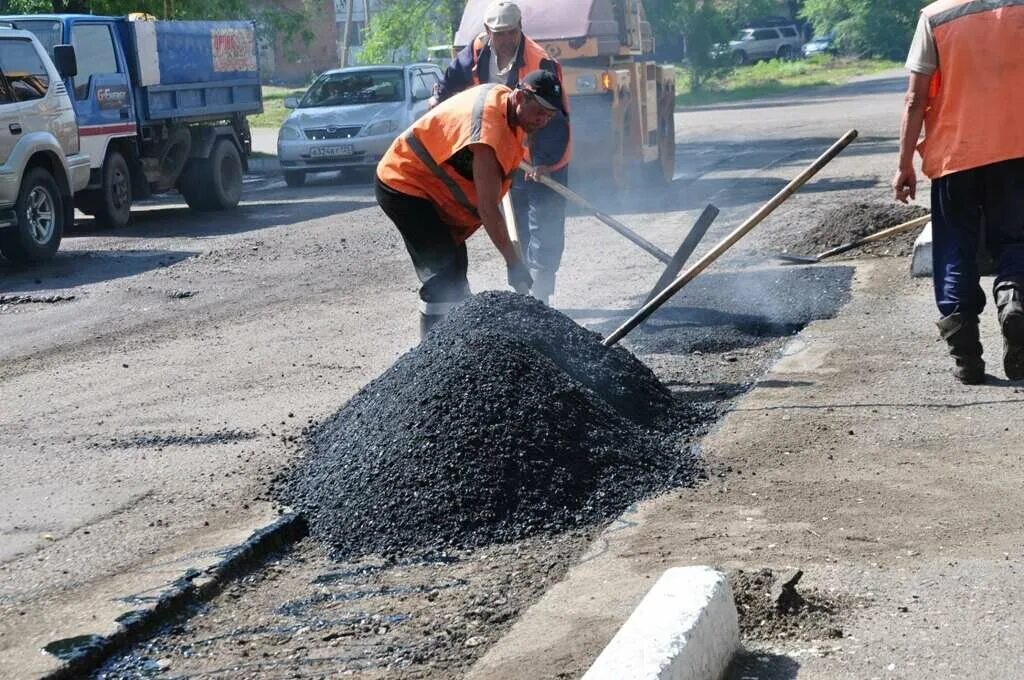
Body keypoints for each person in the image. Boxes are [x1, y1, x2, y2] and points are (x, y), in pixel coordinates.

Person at [376, 70, 565, 339]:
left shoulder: (505, 102)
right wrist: (513, 263)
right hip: (404, 183)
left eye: (549, 116)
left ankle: (456, 345)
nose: (543, 120)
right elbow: (488, 209)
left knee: (456, 272)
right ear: (522, 96)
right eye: (540, 112)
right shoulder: (488, 130)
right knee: (444, 275)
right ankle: (433, 354)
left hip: (428, 192)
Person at [893, 0, 1024, 385]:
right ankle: (1014, 299)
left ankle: (966, 357)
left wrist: (903, 163)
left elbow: (916, 97)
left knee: (954, 249)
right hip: (1017, 151)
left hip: (956, 156)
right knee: (1017, 240)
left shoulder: (936, 17)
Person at [431, 0, 571, 305]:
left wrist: (543, 162)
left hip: (542, 151)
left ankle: (543, 291)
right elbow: (451, 80)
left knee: (545, 221)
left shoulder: (540, 62)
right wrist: (438, 101)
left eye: (511, 32)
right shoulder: (478, 51)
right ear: (487, 32)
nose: (506, 39)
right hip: (506, 149)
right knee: (517, 216)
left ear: (520, 29)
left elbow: (555, 117)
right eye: (500, 34)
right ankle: (527, 295)